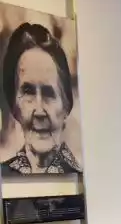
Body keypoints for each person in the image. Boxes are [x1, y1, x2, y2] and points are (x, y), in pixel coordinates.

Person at [1, 22, 82, 174]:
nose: (39, 111)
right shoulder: (4, 174)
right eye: (28, 92)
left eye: (49, 93)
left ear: (66, 106)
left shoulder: (79, 178)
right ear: (14, 106)